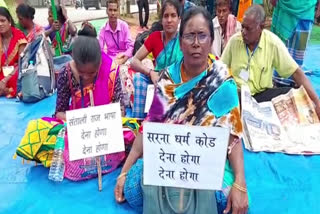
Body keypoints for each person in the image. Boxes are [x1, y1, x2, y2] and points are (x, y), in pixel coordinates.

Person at [115, 7, 249, 214]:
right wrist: (124, 172)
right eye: (189, 36)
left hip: (209, 167)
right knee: (132, 189)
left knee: (224, 198)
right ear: (180, 40)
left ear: (211, 39)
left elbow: (233, 138)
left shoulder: (222, 80)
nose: (196, 43)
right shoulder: (168, 78)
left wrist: (240, 183)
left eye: (202, 36)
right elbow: (149, 128)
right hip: (171, 161)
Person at [221, 5, 320, 118]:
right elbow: (220, 69)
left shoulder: (273, 43)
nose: (243, 32)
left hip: (262, 95)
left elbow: (296, 72)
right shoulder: (234, 41)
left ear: (261, 27)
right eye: (243, 27)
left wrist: (317, 102)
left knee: (293, 93)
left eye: (248, 29)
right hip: (238, 95)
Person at [55, 23, 125, 121]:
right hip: (78, 125)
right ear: (74, 63)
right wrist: (84, 120)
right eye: (81, 72)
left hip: (106, 126)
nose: (86, 77)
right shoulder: (67, 73)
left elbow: (120, 109)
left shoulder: (111, 71)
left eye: (92, 73)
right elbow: (59, 113)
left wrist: (100, 119)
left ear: (100, 63)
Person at [131, 0, 183, 119]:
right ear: (161, 19)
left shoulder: (184, 39)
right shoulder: (155, 37)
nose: (169, 20)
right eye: (166, 16)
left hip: (178, 82)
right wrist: (150, 72)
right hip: (156, 79)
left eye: (173, 15)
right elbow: (134, 61)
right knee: (139, 78)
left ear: (179, 19)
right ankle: (138, 122)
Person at [271, 0, 319, 87]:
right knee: (280, 45)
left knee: (299, 50)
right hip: (284, 7)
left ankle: (295, 79)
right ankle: (279, 79)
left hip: (306, 9)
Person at [0, 7, 27, 98]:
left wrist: (5, 80)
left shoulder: (19, 37)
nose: (0, 24)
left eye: (3, 20)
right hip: (1, 73)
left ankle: (7, 90)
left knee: (19, 75)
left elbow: (22, 63)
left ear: (9, 21)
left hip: (14, 74)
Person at [99, 0, 134, 65]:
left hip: (125, 57)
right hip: (111, 59)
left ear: (118, 12)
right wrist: (108, 61)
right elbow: (100, 50)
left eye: (115, 10)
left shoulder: (124, 26)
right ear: (106, 11)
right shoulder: (103, 29)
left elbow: (131, 46)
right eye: (110, 10)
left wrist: (123, 59)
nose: (112, 13)